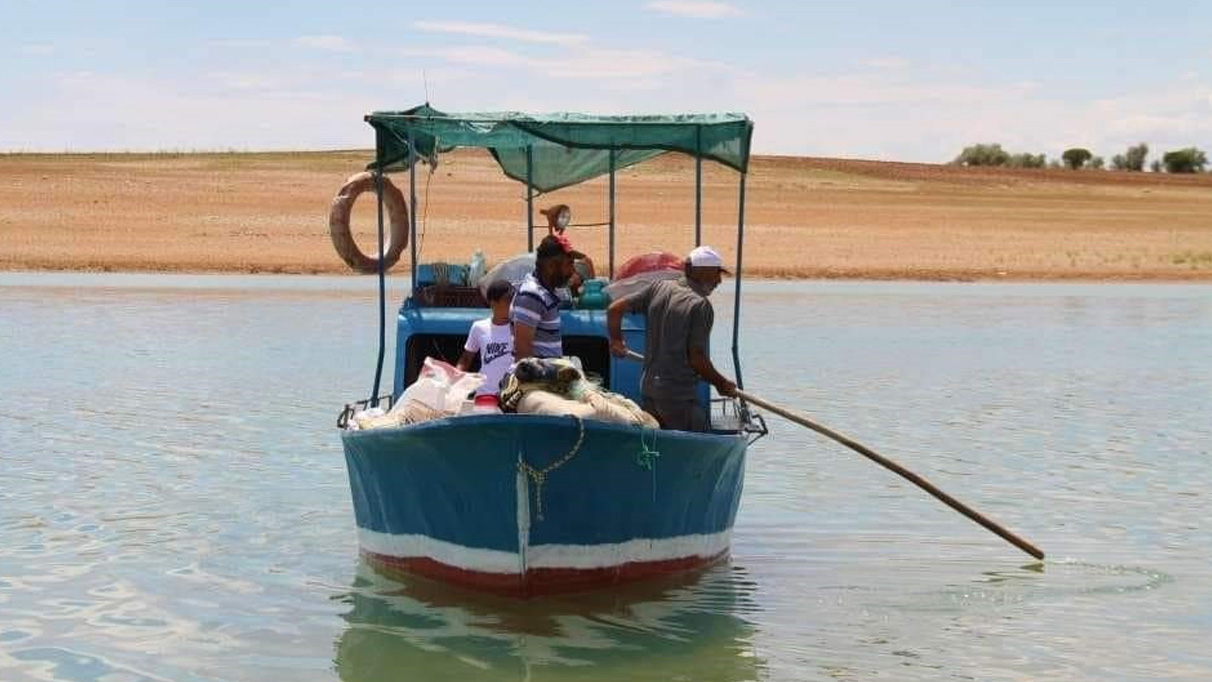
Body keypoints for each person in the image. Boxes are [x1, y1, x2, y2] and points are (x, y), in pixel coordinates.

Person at [607, 245, 738, 432]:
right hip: (677, 396)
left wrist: (616, 341)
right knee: (699, 439)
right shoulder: (700, 305)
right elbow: (697, 358)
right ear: (702, 271)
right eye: (717, 273)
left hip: (649, 389)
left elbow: (614, 309)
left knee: (657, 441)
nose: (719, 281)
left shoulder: (659, 287)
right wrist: (721, 383)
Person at [511, 234, 582, 359]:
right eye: (569, 264)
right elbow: (522, 353)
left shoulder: (546, 292)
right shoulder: (532, 296)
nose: (573, 271)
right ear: (550, 266)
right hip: (536, 372)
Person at [456, 280, 515, 397]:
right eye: (507, 300)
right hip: (484, 394)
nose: (511, 304)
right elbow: (466, 359)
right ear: (493, 303)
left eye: (513, 300)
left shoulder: (519, 329)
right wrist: (454, 379)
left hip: (511, 396)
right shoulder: (479, 327)